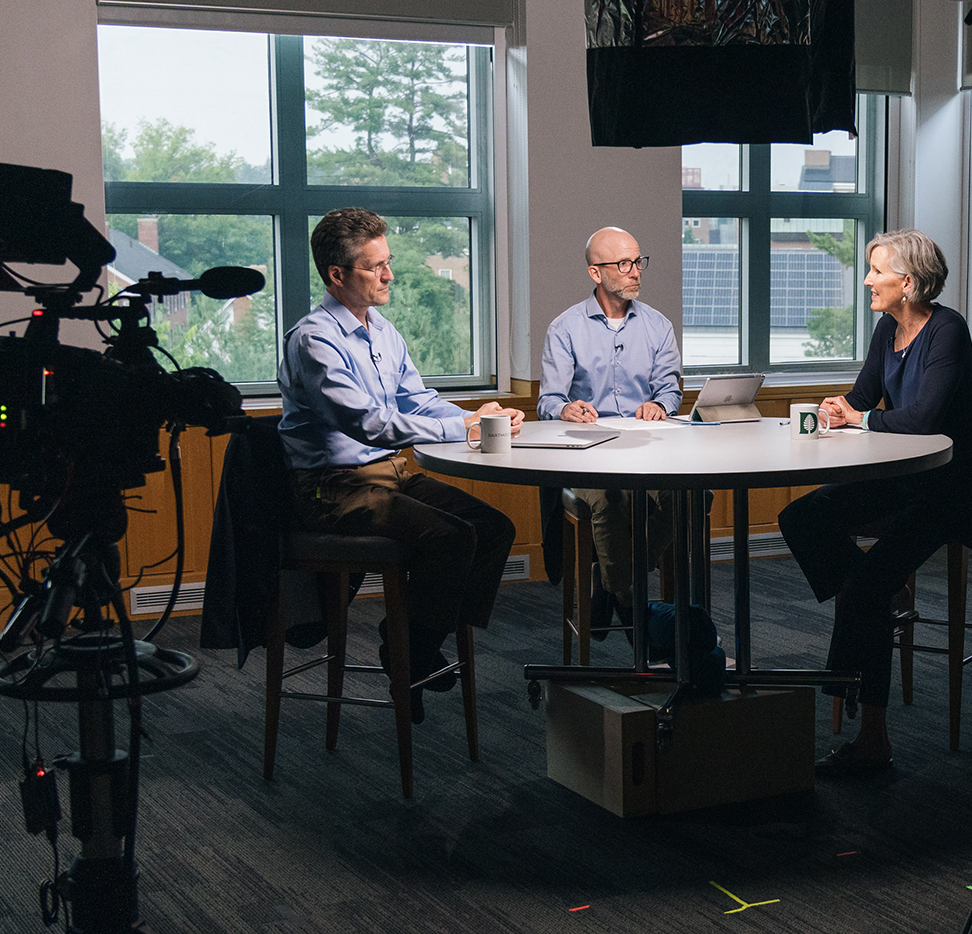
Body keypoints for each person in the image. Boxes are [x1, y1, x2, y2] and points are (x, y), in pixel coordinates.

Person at [277, 206, 522, 695]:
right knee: (451, 538)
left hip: (389, 475)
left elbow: (417, 400)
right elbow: (368, 424)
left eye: (388, 262)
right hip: (333, 488)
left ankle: (413, 641)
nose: (389, 275)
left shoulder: (382, 330)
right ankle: (410, 650)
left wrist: (474, 417)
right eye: (375, 267)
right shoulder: (313, 341)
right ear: (337, 275)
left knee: (494, 527)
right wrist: (460, 428)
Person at [777, 229, 972, 773]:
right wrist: (836, 410)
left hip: (949, 487)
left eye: (877, 271)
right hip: (903, 480)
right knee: (801, 516)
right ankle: (883, 591)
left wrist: (860, 417)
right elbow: (861, 398)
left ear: (910, 282)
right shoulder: (886, 328)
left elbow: (924, 420)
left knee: (861, 595)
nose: (868, 280)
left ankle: (873, 740)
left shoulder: (948, 330)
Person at [537, 226, 681, 624]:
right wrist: (566, 409)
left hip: (648, 451)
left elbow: (670, 390)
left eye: (638, 261)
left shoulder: (658, 326)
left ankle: (612, 581)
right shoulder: (565, 328)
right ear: (596, 273)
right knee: (611, 498)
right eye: (624, 264)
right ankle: (630, 605)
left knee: (690, 497)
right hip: (589, 456)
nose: (635, 271)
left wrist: (659, 404)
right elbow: (548, 400)